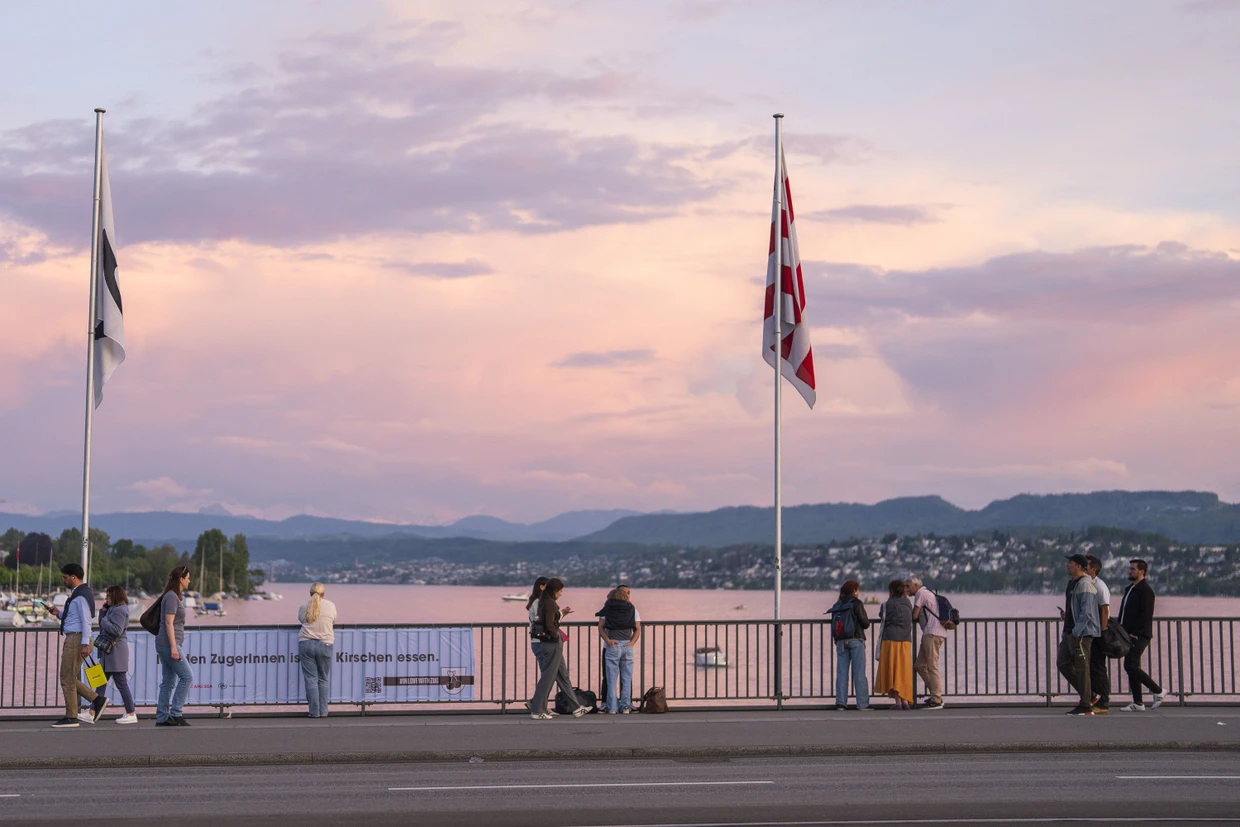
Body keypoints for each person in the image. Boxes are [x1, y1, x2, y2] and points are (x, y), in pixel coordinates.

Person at [49, 563, 107, 728]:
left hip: (76, 639)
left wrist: (84, 644)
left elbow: (86, 621)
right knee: (69, 677)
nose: (63, 580)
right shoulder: (80, 594)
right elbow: (75, 619)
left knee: (66, 678)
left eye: (65, 577)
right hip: (76, 638)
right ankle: (97, 700)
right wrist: (58, 614)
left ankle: (72, 716)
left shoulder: (80, 596)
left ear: (73, 577)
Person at [529, 578, 589, 720]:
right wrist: (556, 637)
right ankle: (537, 709)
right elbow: (550, 624)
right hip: (551, 643)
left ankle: (576, 708)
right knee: (548, 677)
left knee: (561, 675)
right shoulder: (549, 603)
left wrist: (561, 614)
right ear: (554, 591)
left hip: (548, 642)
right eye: (560, 591)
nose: (561, 594)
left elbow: (549, 620)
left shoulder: (544, 602)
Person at [1118, 558, 1166, 711]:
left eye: (1133, 569)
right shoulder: (1131, 589)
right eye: (1130, 568)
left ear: (1141, 571)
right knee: (1132, 665)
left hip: (1138, 635)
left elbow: (1146, 615)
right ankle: (1138, 702)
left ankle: (1158, 691)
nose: (1130, 571)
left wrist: (1135, 634)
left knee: (1130, 665)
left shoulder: (1146, 591)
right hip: (1128, 634)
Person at [1058, 554, 1101, 715]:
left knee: (1082, 668)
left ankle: (1085, 705)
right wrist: (1067, 615)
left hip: (1081, 634)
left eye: (1071, 562)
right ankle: (1090, 695)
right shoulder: (1072, 584)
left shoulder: (1085, 585)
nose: (1068, 565)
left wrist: (1077, 632)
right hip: (1069, 631)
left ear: (1079, 566)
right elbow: (1076, 609)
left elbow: (1087, 612)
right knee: (1062, 663)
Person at [155, 566, 193, 727]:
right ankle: (176, 713)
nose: (190, 580)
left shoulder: (173, 596)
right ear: (181, 579)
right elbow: (169, 622)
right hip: (168, 644)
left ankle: (162, 717)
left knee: (168, 682)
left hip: (166, 643)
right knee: (187, 677)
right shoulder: (171, 597)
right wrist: (173, 647)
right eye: (188, 577)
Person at [597, 584, 641, 714]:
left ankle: (612, 707)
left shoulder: (607, 609)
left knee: (611, 679)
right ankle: (626, 706)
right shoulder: (632, 609)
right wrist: (632, 642)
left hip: (612, 646)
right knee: (626, 678)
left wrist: (608, 641)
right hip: (627, 646)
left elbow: (601, 627)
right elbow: (637, 628)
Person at [827, 580, 871, 710]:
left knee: (841, 673)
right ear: (854, 591)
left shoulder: (837, 605)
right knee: (859, 674)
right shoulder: (856, 603)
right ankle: (862, 704)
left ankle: (841, 702)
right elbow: (865, 623)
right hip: (856, 640)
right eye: (858, 590)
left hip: (840, 641)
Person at [98, 585, 137, 724]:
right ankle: (92, 711)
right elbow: (103, 625)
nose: (106, 598)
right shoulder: (112, 609)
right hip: (110, 652)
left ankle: (131, 712)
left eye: (108, 596)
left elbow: (117, 630)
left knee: (121, 683)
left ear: (114, 596)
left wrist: (104, 619)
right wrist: (102, 613)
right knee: (101, 682)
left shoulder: (120, 610)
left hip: (115, 652)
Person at [907, 575, 947, 710]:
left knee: (932, 665)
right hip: (932, 633)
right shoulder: (927, 593)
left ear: (916, 586)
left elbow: (914, 615)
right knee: (919, 665)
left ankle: (936, 699)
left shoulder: (921, 594)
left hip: (932, 633)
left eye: (908, 586)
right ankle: (936, 694)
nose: (906, 589)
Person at [298, 582, 337, 718]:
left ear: (310, 593)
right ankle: (324, 711)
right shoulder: (331, 605)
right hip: (325, 644)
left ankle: (314, 712)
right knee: (323, 679)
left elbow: (301, 620)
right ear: (323, 593)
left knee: (311, 679)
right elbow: (333, 621)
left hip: (306, 643)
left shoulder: (304, 606)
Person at [875, 579, 913, 709]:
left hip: (890, 640)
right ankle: (906, 701)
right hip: (906, 641)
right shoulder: (908, 603)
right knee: (903, 671)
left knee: (893, 670)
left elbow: (882, 616)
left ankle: (898, 702)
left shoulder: (887, 605)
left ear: (891, 591)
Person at [1085, 554, 1112, 713]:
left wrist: (1102, 631)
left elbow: (1105, 609)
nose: (1082, 567)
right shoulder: (1087, 584)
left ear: (1093, 569)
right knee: (1091, 666)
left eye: (1085, 565)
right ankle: (1095, 698)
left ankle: (1103, 702)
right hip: (1089, 632)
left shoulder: (1100, 586)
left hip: (1097, 633)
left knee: (1098, 667)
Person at [525, 576, 550, 711]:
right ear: (541, 587)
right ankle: (537, 704)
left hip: (538, 641)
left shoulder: (536, 602)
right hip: (541, 642)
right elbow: (544, 621)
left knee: (548, 675)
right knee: (547, 675)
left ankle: (540, 704)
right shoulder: (538, 603)